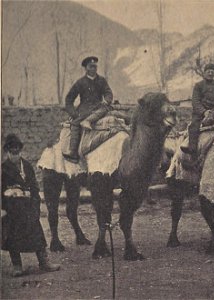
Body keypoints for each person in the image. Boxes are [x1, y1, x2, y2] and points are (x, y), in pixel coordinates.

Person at [1, 134, 61, 277]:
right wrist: (5, 203)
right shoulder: (3, 169)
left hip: (28, 207)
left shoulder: (27, 166)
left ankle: (44, 262)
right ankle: (17, 266)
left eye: (17, 150)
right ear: (7, 152)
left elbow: (34, 186)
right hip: (12, 209)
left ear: (20, 150)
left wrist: (35, 203)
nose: (15, 153)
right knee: (12, 237)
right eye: (12, 151)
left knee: (37, 233)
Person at [63, 56, 114, 163]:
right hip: (84, 110)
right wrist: (74, 114)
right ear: (86, 68)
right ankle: (73, 152)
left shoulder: (102, 80)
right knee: (75, 123)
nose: (93, 69)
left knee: (108, 109)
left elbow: (108, 92)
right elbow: (69, 100)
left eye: (95, 66)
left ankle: (88, 121)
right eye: (91, 66)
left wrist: (107, 100)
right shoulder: (80, 82)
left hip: (99, 107)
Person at [181, 63, 214, 159]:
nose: (210, 73)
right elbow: (195, 101)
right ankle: (192, 151)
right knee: (193, 126)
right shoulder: (198, 85)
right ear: (204, 72)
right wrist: (204, 112)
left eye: (212, 72)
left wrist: (212, 113)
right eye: (208, 71)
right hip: (200, 113)